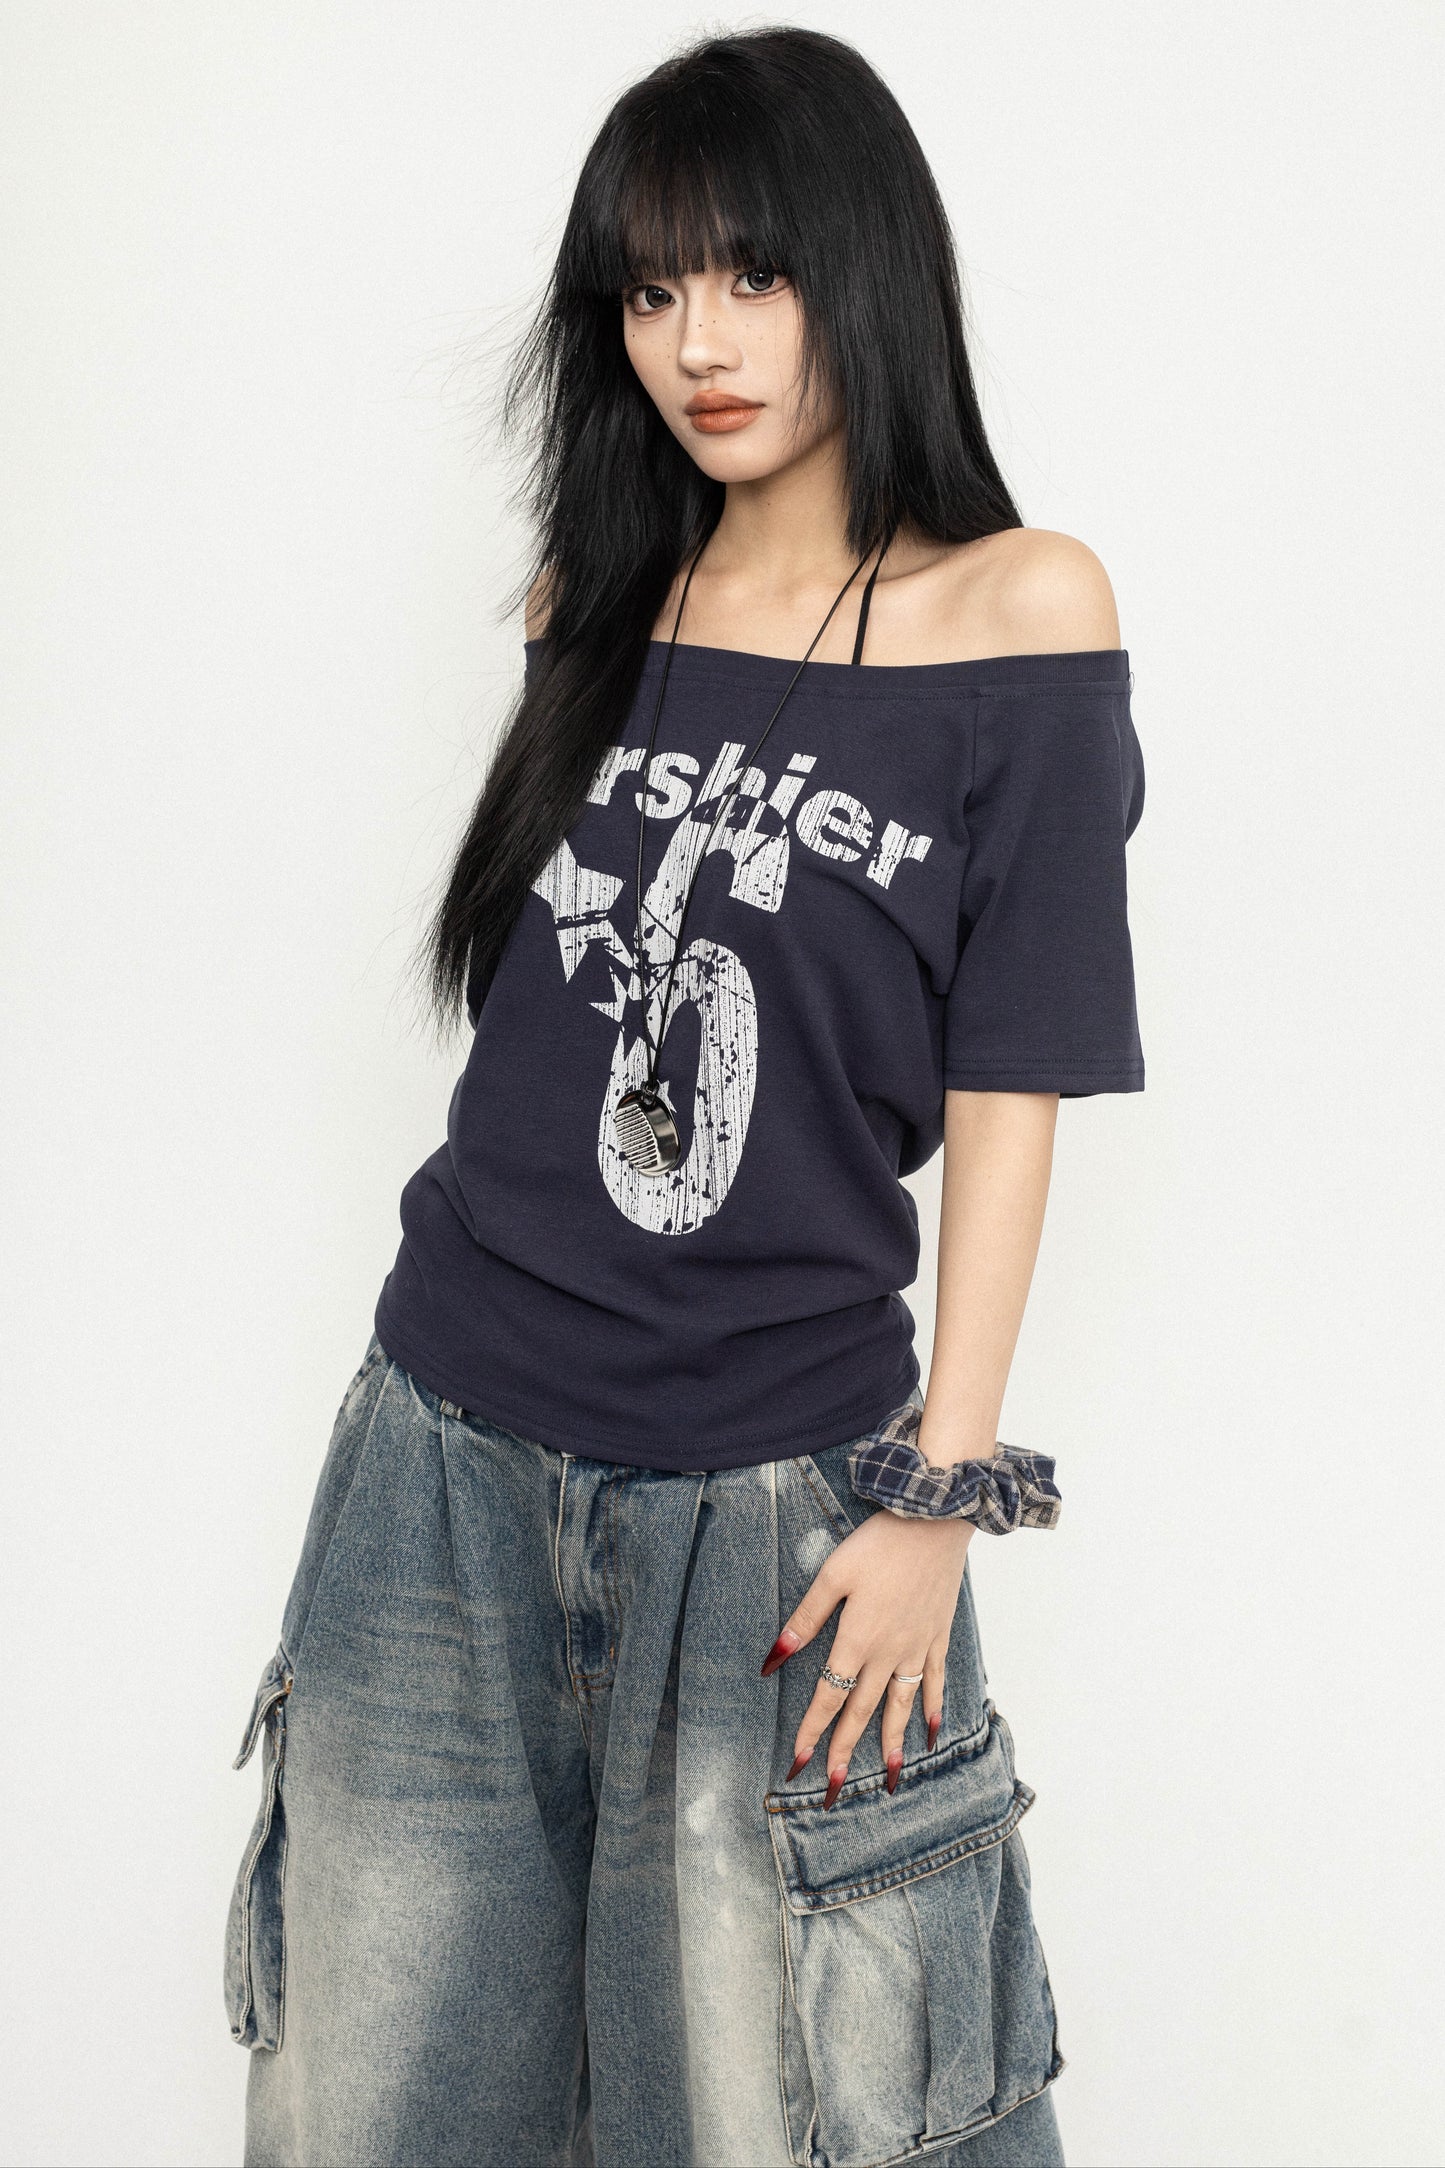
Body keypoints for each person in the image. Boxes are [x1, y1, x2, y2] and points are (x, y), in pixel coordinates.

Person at [223, 26, 1144, 2168]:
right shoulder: (603, 599)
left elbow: (1016, 1070)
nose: (697, 344)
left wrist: (937, 1492)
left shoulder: (1017, 611)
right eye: (647, 290)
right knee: (377, 2114)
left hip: (777, 1515)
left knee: (794, 2119)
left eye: (752, 273)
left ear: (865, 267)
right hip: (436, 1464)